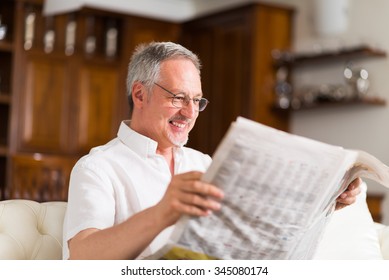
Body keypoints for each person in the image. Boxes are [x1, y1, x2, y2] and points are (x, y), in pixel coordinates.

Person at [63, 41, 361, 260]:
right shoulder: (98, 167)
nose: (190, 112)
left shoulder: (205, 163)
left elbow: (257, 227)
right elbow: (82, 257)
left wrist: (326, 200)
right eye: (179, 98)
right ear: (140, 95)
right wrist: (163, 212)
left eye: (197, 101)